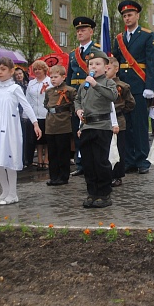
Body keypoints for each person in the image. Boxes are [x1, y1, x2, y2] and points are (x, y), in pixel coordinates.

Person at [0, 57, 41, 205]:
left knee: (9, 160)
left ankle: (13, 192)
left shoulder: (15, 88)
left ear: (11, 71)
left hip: (10, 127)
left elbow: (26, 105)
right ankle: (5, 190)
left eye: (3, 69)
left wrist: (35, 123)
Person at [112, 0, 154, 174]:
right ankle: (129, 160)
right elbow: (115, 61)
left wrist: (150, 87)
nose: (127, 18)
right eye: (124, 16)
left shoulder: (147, 35)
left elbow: (151, 63)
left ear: (137, 16)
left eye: (130, 15)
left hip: (139, 85)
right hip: (122, 87)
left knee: (139, 125)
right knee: (126, 124)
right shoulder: (119, 38)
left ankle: (142, 160)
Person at [75, 49, 119, 208]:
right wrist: (78, 109)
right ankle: (92, 192)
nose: (93, 66)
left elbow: (113, 96)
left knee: (100, 161)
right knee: (88, 162)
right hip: (87, 126)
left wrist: (96, 84)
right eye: (91, 64)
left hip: (102, 127)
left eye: (98, 64)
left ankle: (104, 193)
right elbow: (78, 99)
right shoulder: (83, 85)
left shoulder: (108, 82)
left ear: (106, 67)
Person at [66, 16, 100, 176]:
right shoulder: (73, 54)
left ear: (91, 32)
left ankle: (92, 162)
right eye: (78, 30)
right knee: (77, 129)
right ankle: (80, 164)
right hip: (76, 95)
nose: (80, 32)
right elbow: (69, 76)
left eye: (83, 30)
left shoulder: (97, 50)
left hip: (91, 94)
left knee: (91, 129)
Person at [43, 64, 78, 186]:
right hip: (50, 124)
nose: (53, 79)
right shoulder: (49, 91)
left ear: (63, 77)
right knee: (52, 153)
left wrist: (70, 113)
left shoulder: (70, 90)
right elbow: (46, 104)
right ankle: (54, 176)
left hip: (63, 124)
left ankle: (63, 176)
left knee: (63, 152)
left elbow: (76, 104)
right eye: (51, 77)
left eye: (56, 77)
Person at [107, 56, 135, 187]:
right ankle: (106, 174)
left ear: (116, 69)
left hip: (118, 120)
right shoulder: (99, 84)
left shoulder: (122, 86)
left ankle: (117, 175)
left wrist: (121, 111)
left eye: (109, 68)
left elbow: (131, 103)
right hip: (103, 120)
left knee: (118, 148)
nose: (106, 70)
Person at [24, 60, 50, 170]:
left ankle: (46, 160)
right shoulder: (31, 83)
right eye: (35, 69)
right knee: (38, 139)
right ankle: (39, 160)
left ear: (44, 70)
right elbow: (27, 99)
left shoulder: (50, 82)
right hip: (35, 115)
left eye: (39, 69)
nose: (37, 71)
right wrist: (25, 115)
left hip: (47, 114)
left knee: (47, 139)